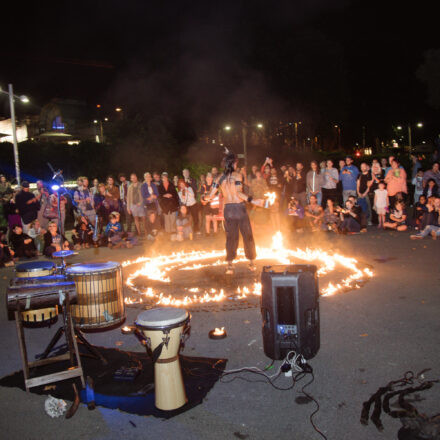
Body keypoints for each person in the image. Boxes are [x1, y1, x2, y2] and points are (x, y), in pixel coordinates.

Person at [206, 151, 263, 274]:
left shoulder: (219, 177)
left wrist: (204, 198)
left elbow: (210, 195)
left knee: (231, 237)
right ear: (232, 163)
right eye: (236, 162)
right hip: (239, 208)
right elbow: (239, 194)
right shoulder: (237, 176)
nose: (237, 165)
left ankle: (230, 265)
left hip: (228, 210)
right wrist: (254, 201)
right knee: (247, 235)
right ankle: (251, 262)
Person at [141, 172, 160, 239]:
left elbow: (157, 194)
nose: (148, 178)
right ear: (145, 178)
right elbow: (143, 195)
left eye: (149, 176)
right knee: (148, 218)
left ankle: (155, 233)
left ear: (151, 178)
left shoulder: (153, 185)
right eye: (146, 176)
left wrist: (154, 196)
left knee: (155, 217)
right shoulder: (143, 186)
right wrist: (150, 196)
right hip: (147, 204)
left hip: (154, 203)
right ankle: (148, 233)